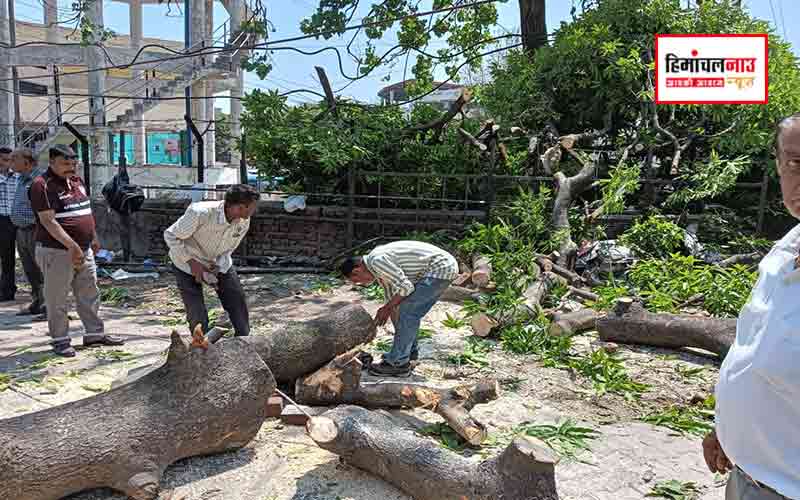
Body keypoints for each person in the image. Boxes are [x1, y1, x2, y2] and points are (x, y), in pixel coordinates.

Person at [702, 113, 800, 500]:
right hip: (749, 477)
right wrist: (729, 429)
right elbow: (753, 350)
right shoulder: (784, 251)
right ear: (778, 165)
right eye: (795, 163)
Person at [30, 145, 124, 357]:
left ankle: (94, 334)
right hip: (56, 251)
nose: (71, 168)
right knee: (57, 298)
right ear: (51, 162)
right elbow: (48, 221)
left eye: (74, 163)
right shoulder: (41, 185)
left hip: (84, 249)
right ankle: (60, 340)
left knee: (89, 292)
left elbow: (85, 211)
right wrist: (72, 246)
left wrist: (93, 237)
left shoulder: (77, 181)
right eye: (65, 163)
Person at [340, 240, 458, 377]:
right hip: (439, 268)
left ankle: (398, 364)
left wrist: (386, 308)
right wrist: (386, 313)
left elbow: (406, 287)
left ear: (356, 270)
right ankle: (408, 354)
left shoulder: (377, 261)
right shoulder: (377, 268)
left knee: (409, 313)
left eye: (358, 281)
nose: (362, 284)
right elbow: (392, 299)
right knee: (405, 312)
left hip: (441, 268)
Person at [164, 184, 259, 339]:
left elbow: (229, 248)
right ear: (240, 207)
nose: (255, 210)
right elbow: (170, 236)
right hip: (185, 263)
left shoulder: (243, 221)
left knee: (237, 300)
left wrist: (217, 268)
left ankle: (244, 339)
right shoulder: (200, 212)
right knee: (196, 311)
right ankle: (200, 346)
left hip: (218, 262)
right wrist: (192, 263)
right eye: (253, 206)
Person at [10, 148, 46, 316]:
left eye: (14, 159)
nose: (11, 163)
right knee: (30, 269)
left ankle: (48, 305)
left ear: (27, 162)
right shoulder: (21, 179)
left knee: (41, 269)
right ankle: (37, 301)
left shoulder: (39, 180)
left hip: (35, 229)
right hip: (21, 230)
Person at [0, 146, 18, 301]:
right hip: (2, 219)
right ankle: (5, 290)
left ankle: (9, 289)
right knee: (5, 256)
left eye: (9, 160)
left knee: (11, 257)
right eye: (3, 159)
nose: (6, 163)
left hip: (16, 219)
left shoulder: (18, 177)